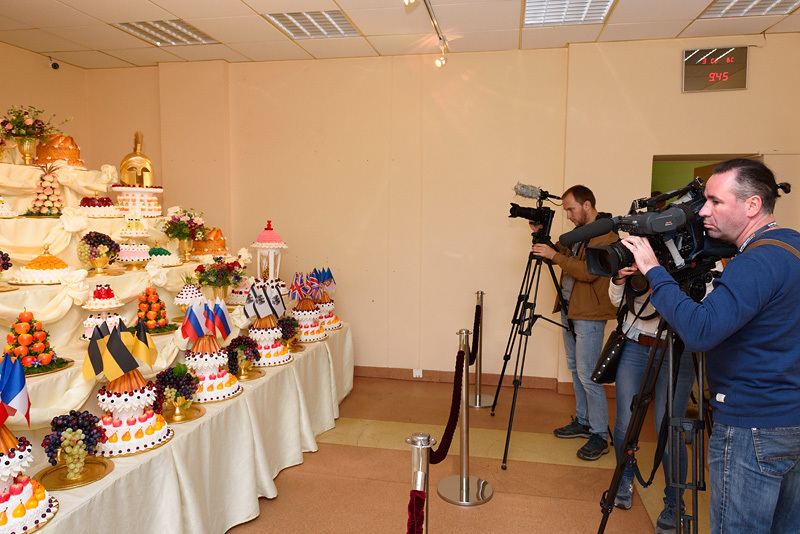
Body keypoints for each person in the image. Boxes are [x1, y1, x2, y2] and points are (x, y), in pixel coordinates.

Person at [621, 159, 800, 533]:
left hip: (752, 425)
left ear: (751, 205)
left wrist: (654, 270)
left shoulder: (755, 262)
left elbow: (701, 331)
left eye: (715, 201)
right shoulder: (790, 245)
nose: (703, 210)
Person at [531, 185, 618, 461]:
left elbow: (589, 272)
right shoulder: (579, 235)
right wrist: (539, 236)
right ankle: (583, 421)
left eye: (571, 209)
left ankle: (600, 435)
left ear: (587, 205)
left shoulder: (604, 233)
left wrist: (554, 255)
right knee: (575, 369)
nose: (568, 215)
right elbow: (558, 251)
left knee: (590, 375)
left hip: (589, 314)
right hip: (571, 310)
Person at [609, 266, 695, 534]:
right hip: (636, 344)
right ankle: (624, 479)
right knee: (624, 421)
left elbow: (706, 307)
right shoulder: (640, 251)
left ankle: (674, 504)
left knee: (669, 429)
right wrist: (619, 279)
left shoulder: (700, 249)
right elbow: (616, 300)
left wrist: (668, 287)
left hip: (678, 347)